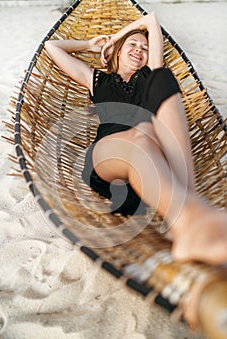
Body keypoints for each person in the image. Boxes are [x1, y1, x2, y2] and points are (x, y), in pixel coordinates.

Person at [45, 12, 227, 265]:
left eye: (144, 47)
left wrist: (119, 36)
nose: (139, 50)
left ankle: (186, 219)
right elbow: (52, 47)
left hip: (157, 165)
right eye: (132, 45)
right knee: (140, 134)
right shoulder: (98, 80)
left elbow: (151, 20)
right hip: (110, 161)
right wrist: (91, 45)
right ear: (118, 53)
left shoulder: (147, 76)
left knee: (161, 81)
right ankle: (191, 219)